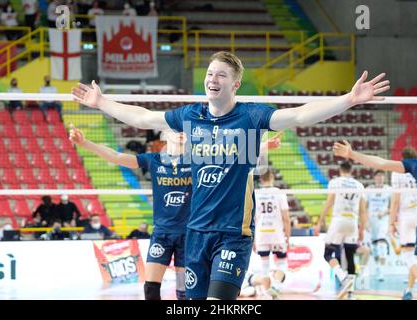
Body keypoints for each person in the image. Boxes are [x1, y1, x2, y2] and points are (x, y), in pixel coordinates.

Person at [71, 51, 389, 300]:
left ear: (235, 84)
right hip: (195, 232)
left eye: (221, 74)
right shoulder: (190, 116)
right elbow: (142, 117)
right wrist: (101, 102)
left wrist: (348, 99)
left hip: (233, 235)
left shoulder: (250, 116)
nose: (213, 78)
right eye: (210, 73)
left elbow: (300, 115)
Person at [69, 126, 191, 300]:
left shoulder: (197, 161)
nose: (181, 134)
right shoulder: (154, 160)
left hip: (188, 235)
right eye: (176, 130)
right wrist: (84, 143)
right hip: (162, 234)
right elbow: (116, 157)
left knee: (184, 291)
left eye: (184, 131)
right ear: (165, 135)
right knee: (150, 289)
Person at [332, 130, 417, 300]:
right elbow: (382, 163)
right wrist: (352, 154)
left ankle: (410, 289)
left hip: (410, 217)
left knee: (411, 258)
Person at [314, 161, 366, 299]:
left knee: (327, 254)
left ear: (340, 170)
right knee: (350, 258)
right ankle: (351, 294)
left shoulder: (335, 182)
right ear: (351, 170)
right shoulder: (359, 185)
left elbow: (329, 202)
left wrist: (320, 222)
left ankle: (342, 277)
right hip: (352, 223)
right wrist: (362, 229)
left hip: (338, 221)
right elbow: (363, 211)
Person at [389, 147, 417, 300]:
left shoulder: (397, 172)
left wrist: (391, 222)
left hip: (407, 217)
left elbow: (395, 201)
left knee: (408, 256)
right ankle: (409, 290)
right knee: (416, 258)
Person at [254, 170, 290, 285]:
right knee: (282, 264)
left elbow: (253, 219)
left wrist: (254, 239)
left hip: (262, 233)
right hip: (276, 234)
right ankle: (276, 287)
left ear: (261, 179)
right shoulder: (279, 193)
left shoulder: (256, 193)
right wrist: (288, 236)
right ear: (272, 178)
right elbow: (286, 218)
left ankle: (267, 294)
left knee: (264, 267)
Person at [365, 170, 391, 282]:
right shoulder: (369, 190)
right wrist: (365, 221)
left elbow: (392, 207)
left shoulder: (389, 190)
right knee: (375, 247)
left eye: (382, 176)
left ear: (384, 178)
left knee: (382, 244)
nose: (380, 178)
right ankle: (378, 268)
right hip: (371, 221)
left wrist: (384, 213)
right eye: (378, 176)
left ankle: (382, 271)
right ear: (374, 178)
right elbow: (364, 207)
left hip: (383, 220)